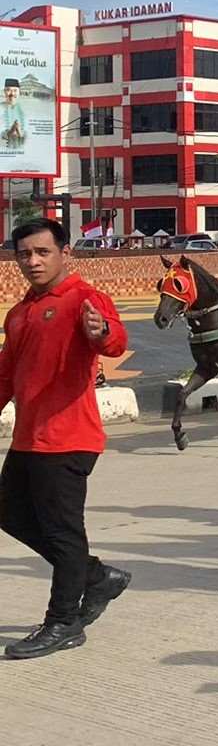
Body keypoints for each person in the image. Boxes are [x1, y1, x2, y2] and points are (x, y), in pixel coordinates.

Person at [0, 219, 130, 659]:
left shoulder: (83, 299)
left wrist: (103, 333)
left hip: (69, 438)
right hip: (28, 439)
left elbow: (113, 340)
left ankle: (63, 622)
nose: (32, 261)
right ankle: (96, 577)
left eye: (42, 252)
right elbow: (5, 375)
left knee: (62, 532)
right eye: (24, 254)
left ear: (64, 252)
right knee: (10, 514)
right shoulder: (20, 312)